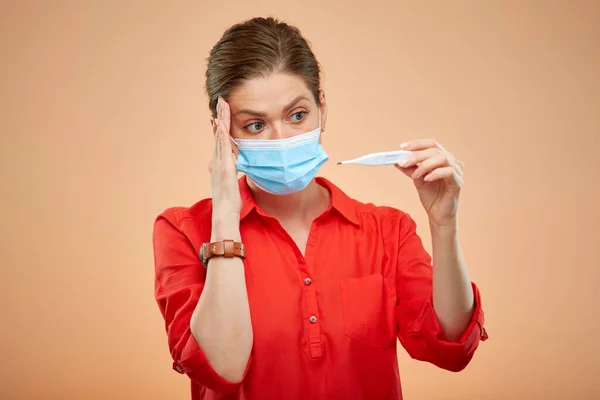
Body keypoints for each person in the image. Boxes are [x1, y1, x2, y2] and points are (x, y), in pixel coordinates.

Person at [152, 16, 488, 400]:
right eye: (255, 125)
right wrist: (226, 213)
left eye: (297, 115)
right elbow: (224, 367)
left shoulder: (386, 230)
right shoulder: (183, 230)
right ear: (222, 131)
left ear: (322, 110)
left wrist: (444, 225)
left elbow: (449, 344)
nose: (281, 138)